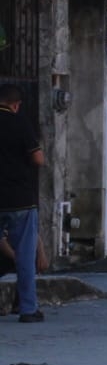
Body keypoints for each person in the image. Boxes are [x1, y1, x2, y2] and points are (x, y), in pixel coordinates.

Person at [0, 84, 45, 322]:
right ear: (16, 105)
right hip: (19, 199)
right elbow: (38, 158)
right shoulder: (20, 123)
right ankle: (28, 309)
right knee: (26, 256)